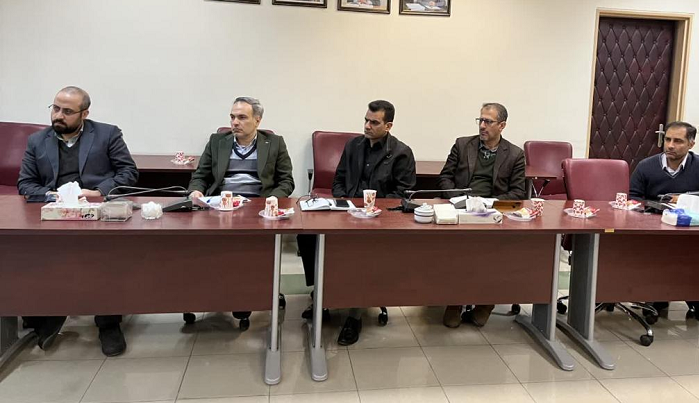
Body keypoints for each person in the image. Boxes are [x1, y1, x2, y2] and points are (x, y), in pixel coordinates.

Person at [18, 86, 138, 356]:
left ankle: (107, 322)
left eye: (67, 111)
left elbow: (128, 172)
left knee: (103, 258)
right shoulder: (37, 141)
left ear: (85, 113)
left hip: (97, 212)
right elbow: (25, 183)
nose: (58, 116)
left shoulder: (107, 134)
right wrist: (53, 196)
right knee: (32, 255)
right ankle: (50, 313)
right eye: (55, 108)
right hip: (54, 212)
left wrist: (97, 191)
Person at [297, 100, 416, 346]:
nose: (367, 126)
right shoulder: (353, 145)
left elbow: (402, 194)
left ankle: (355, 314)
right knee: (307, 235)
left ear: (388, 126)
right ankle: (321, 293)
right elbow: (338, 180)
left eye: (374, 122)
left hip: (378, 218)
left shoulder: (401, 153)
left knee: (361, 251)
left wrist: (373, 209)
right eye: (366, 120)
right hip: (347, 211)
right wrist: (345, 202)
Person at [188, 96, 294, 329]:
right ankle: (222, 292)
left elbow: (286, 180)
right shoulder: (217, 141)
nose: (235, 122)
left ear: (258, 120)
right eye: (232, 117)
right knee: (213, 250)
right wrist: (196, 191)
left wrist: (273, 198)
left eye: (242, 117)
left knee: (249, 252)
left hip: (257, 207)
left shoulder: (275, 143)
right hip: (220, 206)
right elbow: (200, 176)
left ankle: (244, 295)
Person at [630, 121, 699, 324]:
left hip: (693, 229)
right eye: (668, 139)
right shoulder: (647, 166)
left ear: (691, 144)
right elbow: (633, 199)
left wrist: (688, 198)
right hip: (657, 228)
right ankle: (656, 296)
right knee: (660, 253)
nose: (670, 145)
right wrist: (654, 208)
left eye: (678, 141)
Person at [437, 102, 526, 328]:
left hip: (493, 214)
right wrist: (458, 199)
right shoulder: (462, 144)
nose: (482, 125)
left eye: (488, 121)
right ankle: (454, 303)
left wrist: (489, 204)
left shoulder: (515, 154)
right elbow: (445, 178)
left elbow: (518, 193)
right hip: (461, 209)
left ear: (502, 125)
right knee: (457, 254)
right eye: (481, 120)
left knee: (497, 255)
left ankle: (486, 304)